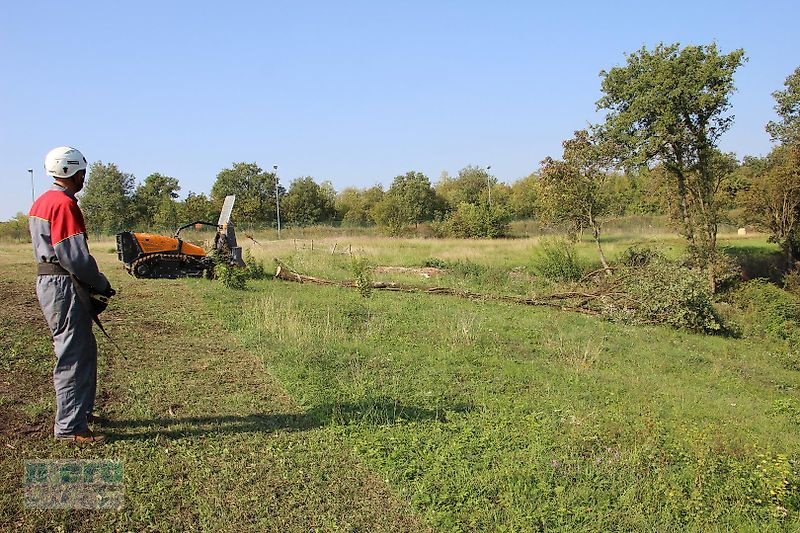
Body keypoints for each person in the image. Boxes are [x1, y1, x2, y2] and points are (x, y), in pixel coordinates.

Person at [28, 146, 115, 444]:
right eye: (82, 173)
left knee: (83, 349)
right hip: (64, 283)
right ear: (72, 172)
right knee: (72, 353)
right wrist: (101, 283)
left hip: (54, 282)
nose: (84, 178)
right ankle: (69, 427)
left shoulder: (42, 201)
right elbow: (75, 258)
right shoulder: (64, 205)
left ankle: (81, 412)